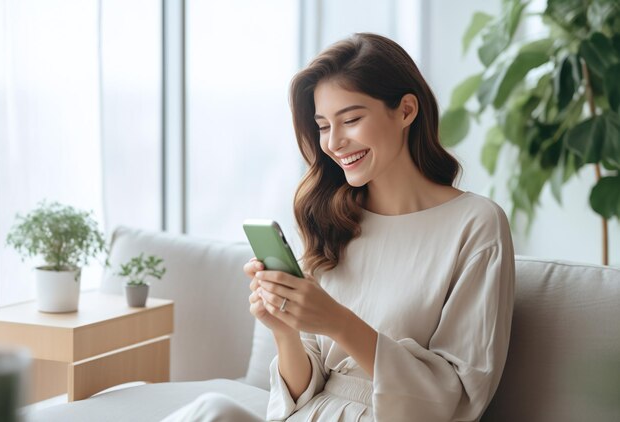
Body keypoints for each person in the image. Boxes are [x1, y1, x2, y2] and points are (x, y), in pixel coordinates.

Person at [163, 32, 515, 422]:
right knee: (211, 411)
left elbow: (458, 397)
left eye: (351, 119)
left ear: (406, 111)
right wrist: (284, 330)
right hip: (311, 414)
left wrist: (338, 322)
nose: (334, 142)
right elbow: (301, 391)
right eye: (323, 126)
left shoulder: (476, 224)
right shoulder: (332, 220)